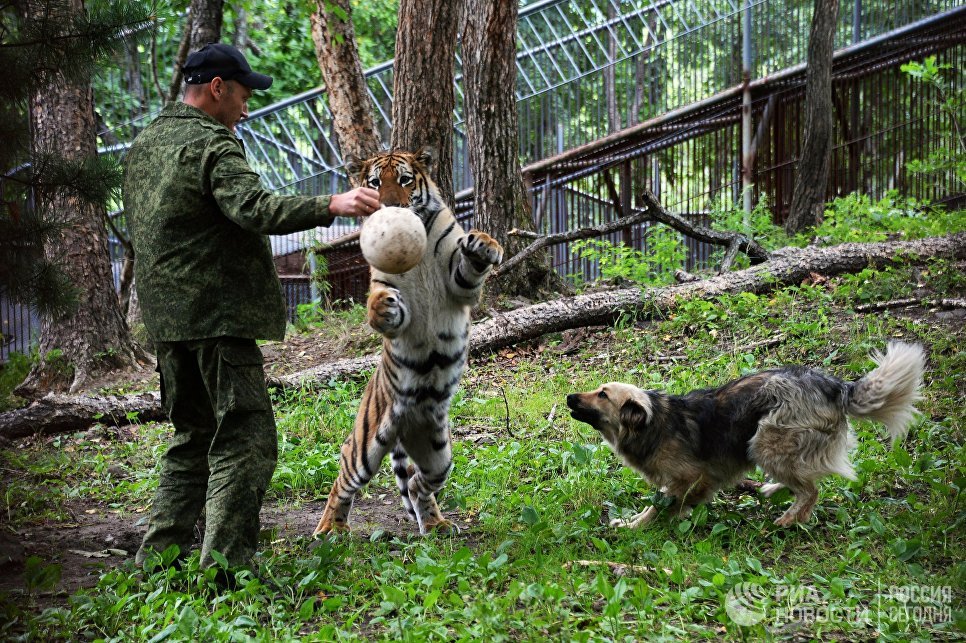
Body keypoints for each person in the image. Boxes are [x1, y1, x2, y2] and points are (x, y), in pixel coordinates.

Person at [123, 43, 380, 571]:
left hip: (167, 325)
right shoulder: (212, 145)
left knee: (191, 438)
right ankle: (226, 567)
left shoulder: (146, 143)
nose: (246, 108)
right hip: (218, 320)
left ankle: (156, 563)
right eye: (242, 95)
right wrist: (331, 204)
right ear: (217, 87)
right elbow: (253, 207)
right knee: (246, 437)